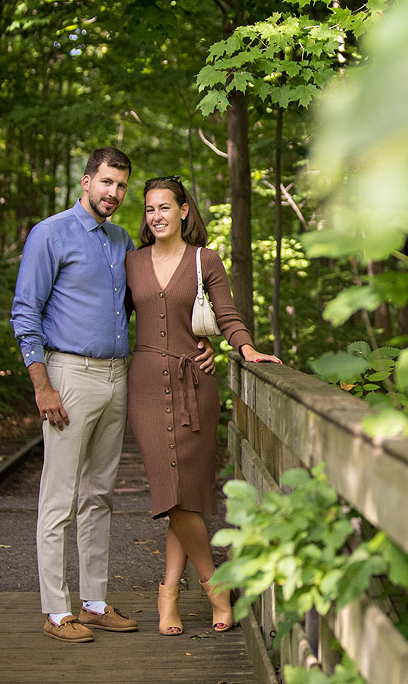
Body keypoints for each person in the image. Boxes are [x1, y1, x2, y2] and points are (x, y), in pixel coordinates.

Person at [10, 148, 215, 643]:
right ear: (86, 181)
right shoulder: (50, 234)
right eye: (106, 182)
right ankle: (57, 611)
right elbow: (24, 312)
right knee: (60, 496)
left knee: (99, 494)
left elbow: (156, 306)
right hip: (68, 376)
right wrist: (42, 385)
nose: (114, 194)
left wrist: (201, 341)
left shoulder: (122, 241)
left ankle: (95, 602)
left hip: (116, 377)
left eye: (122, 187)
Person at [124, 175, 280, 636]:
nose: (156, 217)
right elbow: (111, 317)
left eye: (164, 208)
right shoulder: (131, 262)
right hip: (147, 384)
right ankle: (216, 583)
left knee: (185, 494)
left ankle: (168, 593)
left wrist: (245, 349)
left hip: (196, 384)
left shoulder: (203, 260)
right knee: (169, 492)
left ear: (184, 210)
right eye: (150, 209)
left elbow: (227, 313)